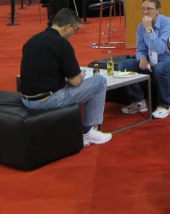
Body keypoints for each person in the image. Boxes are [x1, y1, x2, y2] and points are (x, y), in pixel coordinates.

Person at [19, 9, 111, 146]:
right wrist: (81, 74)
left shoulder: (32, 40)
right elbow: (75, 81)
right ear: (68, 27)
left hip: (26, 99)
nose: (73, 34)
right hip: (47, 100)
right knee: (100, 82)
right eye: (74, 30)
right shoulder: (62, 44)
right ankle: (87, 131)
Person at [118, 0, 170, 119]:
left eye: (149, 9)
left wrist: (149, 29)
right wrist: (141, 58)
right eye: (143, 9)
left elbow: (160, 49)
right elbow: (140, 48)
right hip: (151, 59)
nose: (145, 12)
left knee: (160, 68)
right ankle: (139, 101)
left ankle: (166, 105)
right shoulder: (140, 27)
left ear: (158, 10)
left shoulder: (169, 24)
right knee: (123, 66)